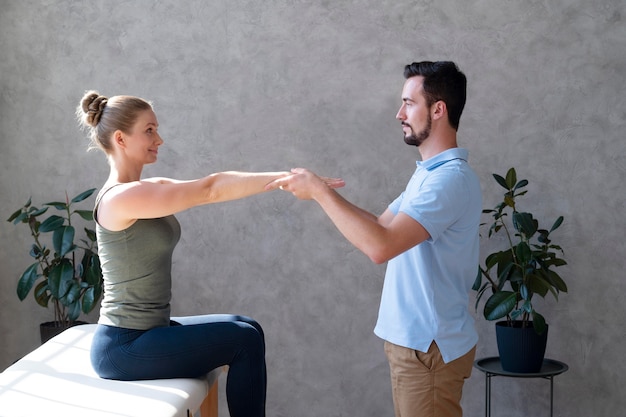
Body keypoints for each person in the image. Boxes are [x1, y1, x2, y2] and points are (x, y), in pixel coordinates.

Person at [76, 90, 343, 417]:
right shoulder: (122, 199)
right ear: (121, 138)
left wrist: (287, 179)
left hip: (149, 332)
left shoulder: (145, 189)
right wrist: (292, 181)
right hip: (123, 346)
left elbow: (212, 184)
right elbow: (211, 188)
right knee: (243, 340)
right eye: (149, 130)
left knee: (248, 326)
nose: (159, 139)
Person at [267, 61, 482, 417]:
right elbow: (382, 226)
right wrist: (320, 193)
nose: (400, 113)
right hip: (415, 346)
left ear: (438, 109)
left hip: (428, 348)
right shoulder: (429, 175)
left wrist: (321, 193)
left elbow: (381, 247)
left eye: (409, 103)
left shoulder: (449, 181)